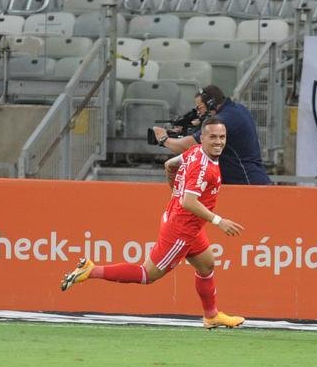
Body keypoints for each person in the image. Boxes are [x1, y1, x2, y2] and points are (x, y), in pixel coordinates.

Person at [62, 116, 246, 328]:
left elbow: (171, 164)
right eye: (212, 137)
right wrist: (218, 221)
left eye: (222, 137)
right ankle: (91, 271)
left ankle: (211, 315)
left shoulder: (196, 151)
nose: (218, 141)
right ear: (202, 137)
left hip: (185, 221)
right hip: (182, 229)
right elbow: (189, 201)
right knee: (147, 274)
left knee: (206, 265)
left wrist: (173, 183)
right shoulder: (205, 167)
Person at [152, 85, 271, 186]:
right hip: (250, 180)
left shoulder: (223, 119)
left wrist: (164, 139)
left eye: (200, 108)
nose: (199, 113)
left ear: (211, 103)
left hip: (246, 183)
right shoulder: (237, 109)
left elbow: (190, 144)